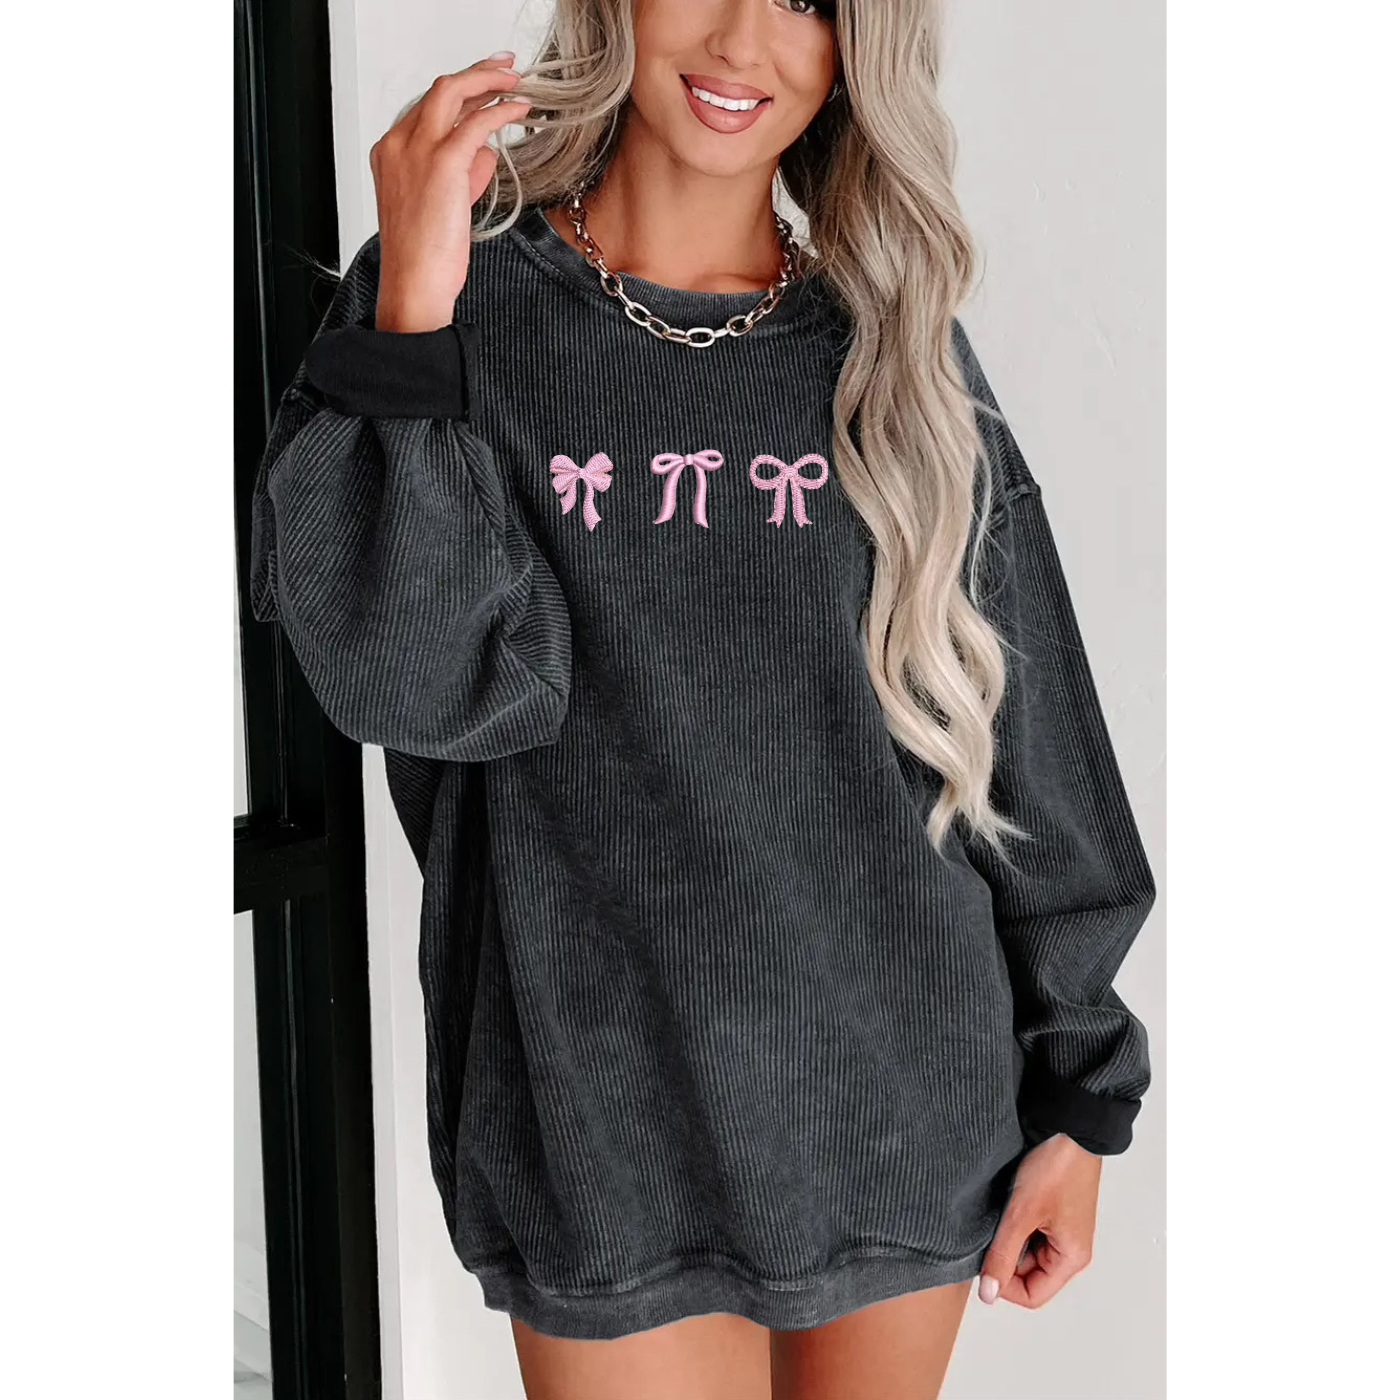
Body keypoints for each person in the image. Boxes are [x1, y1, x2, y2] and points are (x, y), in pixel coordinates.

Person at [248, 2, 1157, 1396]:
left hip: (901, 1105)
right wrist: (416, 299)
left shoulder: (888, 344)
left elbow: (1028, 726)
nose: (744, 38)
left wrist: (1084, 1096)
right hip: (598, 1121)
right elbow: (410, 682)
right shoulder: (451, 301)